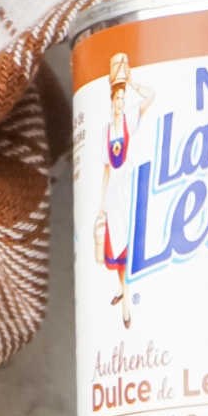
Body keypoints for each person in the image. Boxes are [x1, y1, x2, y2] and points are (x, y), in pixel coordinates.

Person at [93, 51, 154, 328]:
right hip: (114, 192)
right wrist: (101, 205)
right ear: (110, 102)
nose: (120, 103)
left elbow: (150, 96)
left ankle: (126, 300)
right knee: (115, 245)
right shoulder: (106, 130)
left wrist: (130, 82)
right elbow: (106, 169)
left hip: (130, 189)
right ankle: (122, 289)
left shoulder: (130, 119)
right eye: (116, 99)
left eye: (122, 99)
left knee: (128, 243)